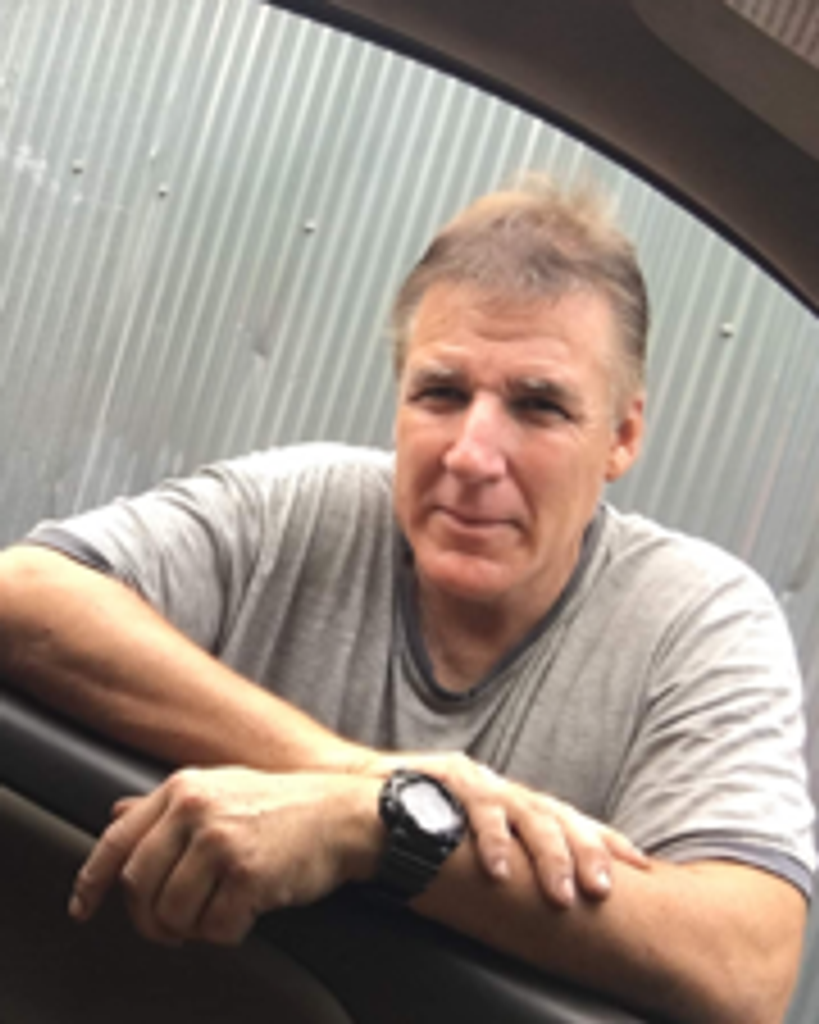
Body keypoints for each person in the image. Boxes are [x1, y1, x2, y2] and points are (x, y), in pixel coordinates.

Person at [0, 175, 814, 1024]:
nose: (471, 455)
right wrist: (368, 776)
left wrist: (376, 829)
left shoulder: (696, 620)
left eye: (538, 406)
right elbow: (25, 594)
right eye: (441, 394)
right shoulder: (301, 508)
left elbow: (746, 961)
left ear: (621, 436)